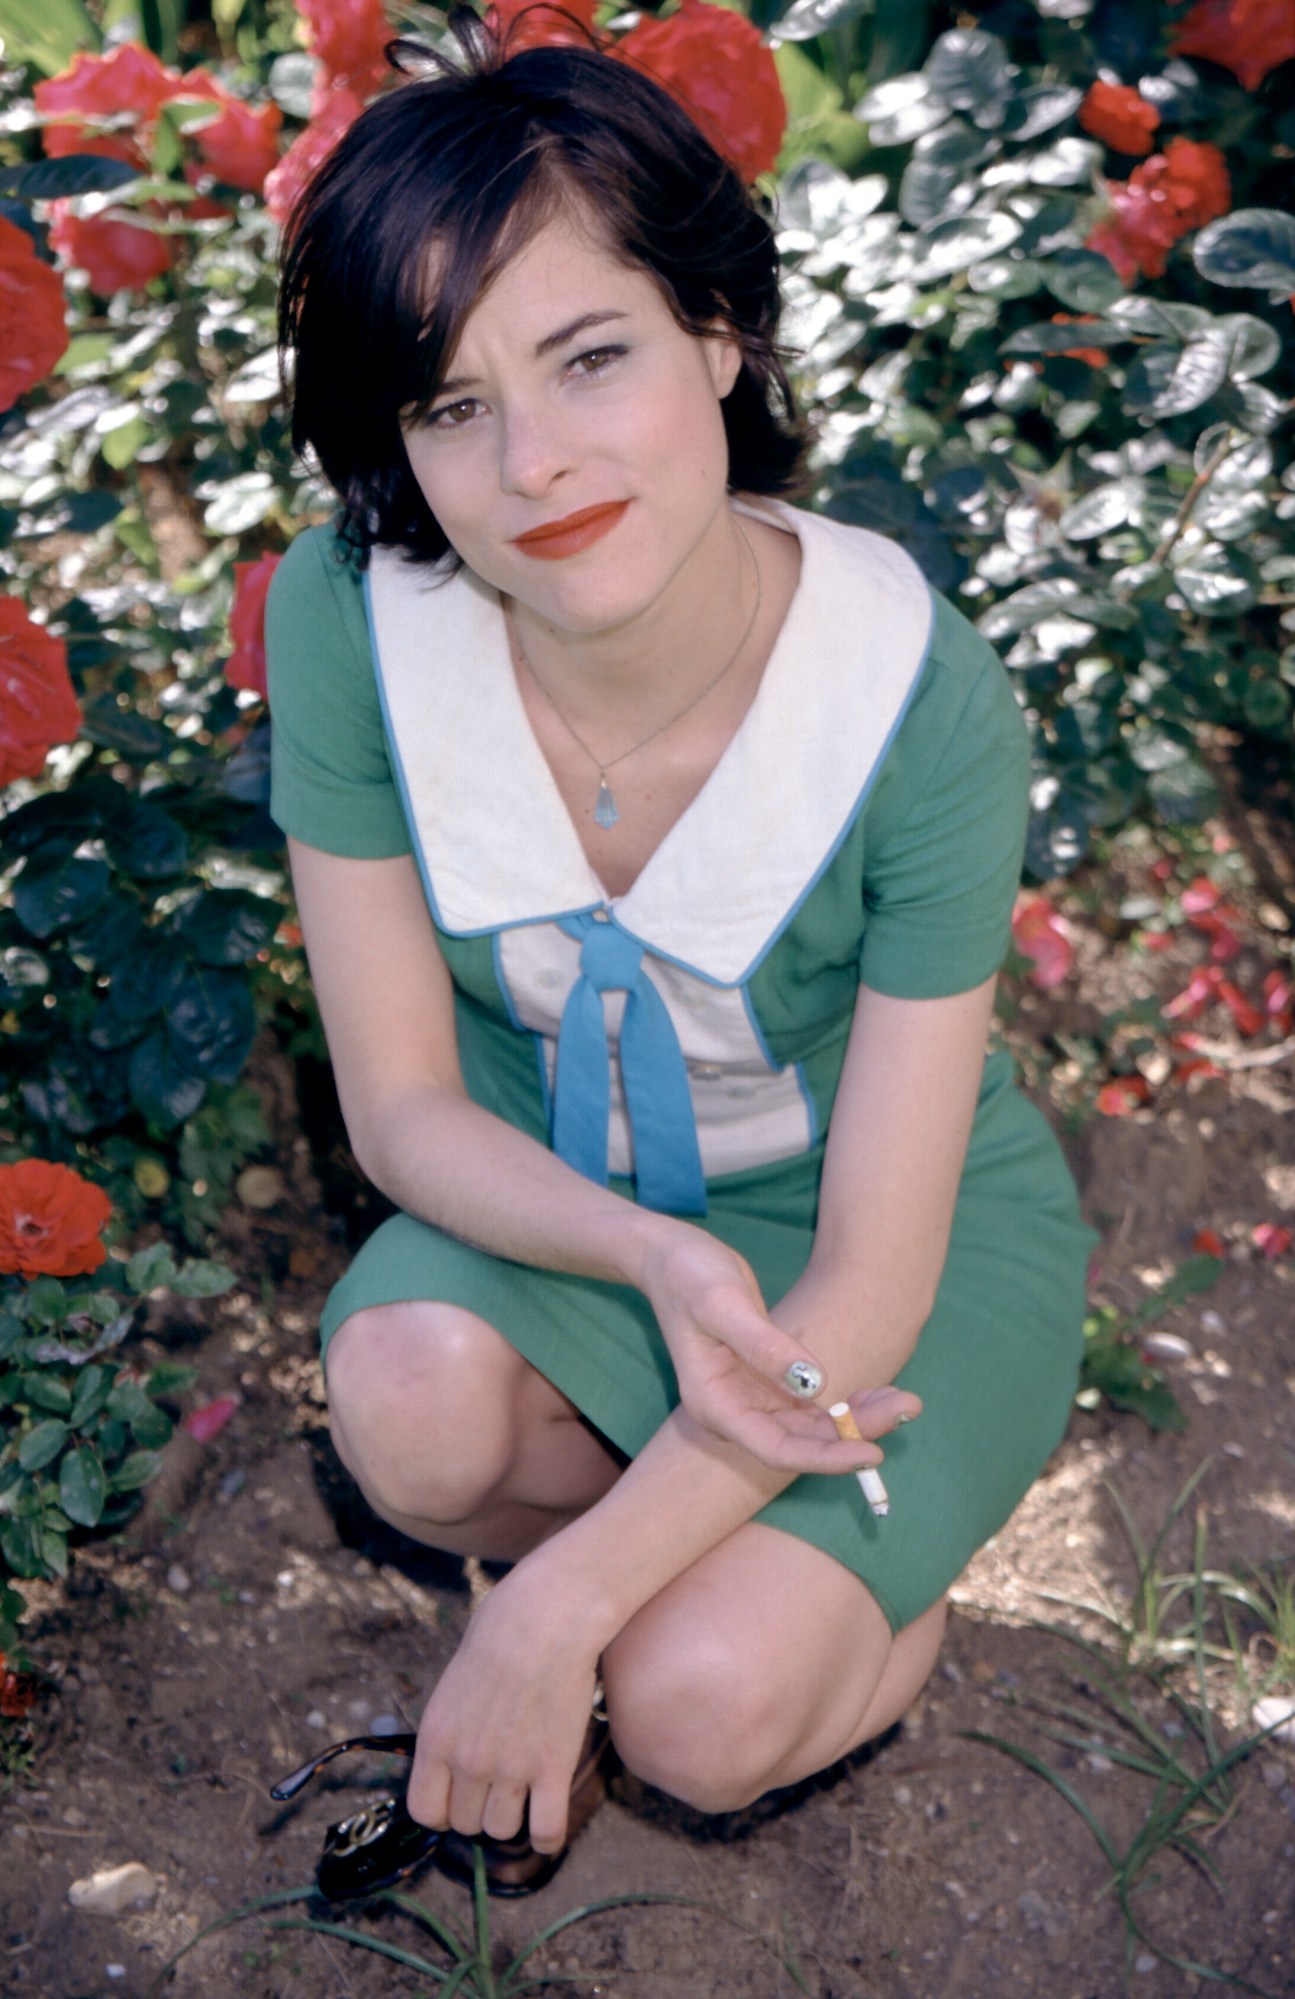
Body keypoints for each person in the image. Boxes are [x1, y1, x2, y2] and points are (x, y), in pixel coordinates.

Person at [264, 15, 1096, 1896]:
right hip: (567, 1205)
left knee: (697, 1705)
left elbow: (873, 1276)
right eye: (451, 404)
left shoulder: (915, 700)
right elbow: (398, 1105)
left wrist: (551, 1618)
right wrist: (650, 1252)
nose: (532, 463)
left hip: (878, 1245)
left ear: (719, 331)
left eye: (590, 357)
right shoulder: (354, 624)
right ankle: (701, 1547)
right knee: (407, 1403)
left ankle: (819, 1598)